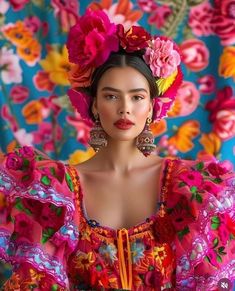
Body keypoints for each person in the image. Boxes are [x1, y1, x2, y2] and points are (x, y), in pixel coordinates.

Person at [0, 8, 235, 291]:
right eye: (111, 95)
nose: (125, 108)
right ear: (95, 104)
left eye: (137, 97)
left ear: (151, 107)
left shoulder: (191, 188)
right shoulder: (57, 194)